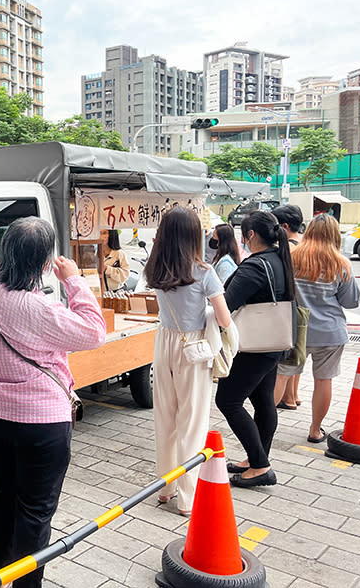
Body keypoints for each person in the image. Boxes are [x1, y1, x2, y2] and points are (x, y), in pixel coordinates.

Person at [0, 217, 108, 588]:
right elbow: (94, 332)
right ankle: (26, 585)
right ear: (45, 263)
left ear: (4, 251)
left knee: (1, 493)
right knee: (35, 509)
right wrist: (73, 280)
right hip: (42, 421)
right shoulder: (42, 309)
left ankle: (0, 573)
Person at [144, 208, 232, 517]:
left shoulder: (153, 267)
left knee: (165, 417)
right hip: (194, 347)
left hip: (164, 341)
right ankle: (188, 498)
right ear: (194, 235)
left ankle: (165, 488)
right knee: (191, 422)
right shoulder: (204, 272)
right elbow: (223, 318)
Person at [216, 211, 296, 488]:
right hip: (273, 342)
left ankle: (260, 465)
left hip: (254, 346)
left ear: (250, 235)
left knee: (227, 401)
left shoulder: (255, 267)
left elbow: (225, 304)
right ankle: (257, 457)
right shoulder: (279, 258)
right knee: (263, 401)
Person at [272, 214, 359, 442]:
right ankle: (314, 430)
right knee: (324, 380)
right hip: (330, 332)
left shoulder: (292, 258)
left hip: (295, 330)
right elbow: (351, 301)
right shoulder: (341, 263)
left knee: (281, 375)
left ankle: (263, 426)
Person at [272, 204, 305, 410]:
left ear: (284, 226)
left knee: (283, 365)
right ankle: (292, 397)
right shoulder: (305, 247)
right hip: (304, 312)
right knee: (296, 357)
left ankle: (277, 402)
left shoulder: (286, 250)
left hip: (288, 309)